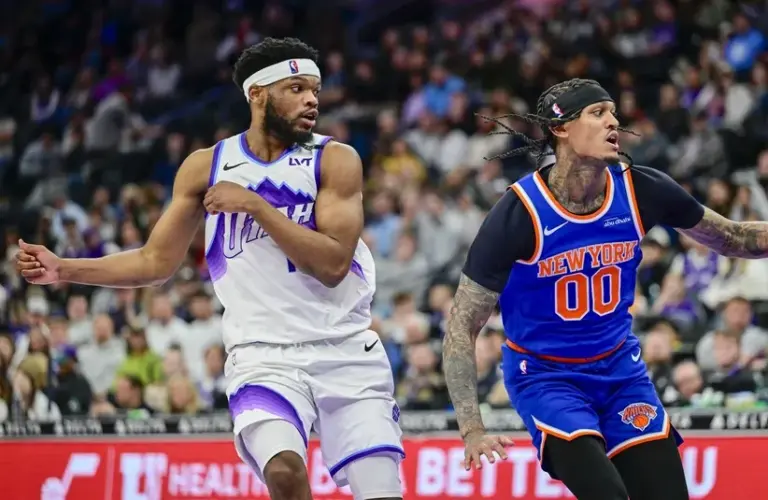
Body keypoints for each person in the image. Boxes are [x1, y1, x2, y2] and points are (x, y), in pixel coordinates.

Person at [16, 37, 403, 500]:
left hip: (344, 347)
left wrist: (256, 206)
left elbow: (334, 264)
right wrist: (64, 269)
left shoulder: (335, 159)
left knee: (380, 492)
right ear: (257, 94)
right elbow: (154, 262)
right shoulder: (207, 167)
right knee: (284, 472)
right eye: (297, 88)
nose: (311, 100)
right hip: (263, 354)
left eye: (315, 90)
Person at [442, 78, 768, 500]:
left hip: (620, 372)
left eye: (613, 112)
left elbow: (734, 237)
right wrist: (471, 428)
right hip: (547, 377)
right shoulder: (519, 214)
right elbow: (461, 326)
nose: (614, 121)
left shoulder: (641, 189)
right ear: (560, 128)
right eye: (598, 113)